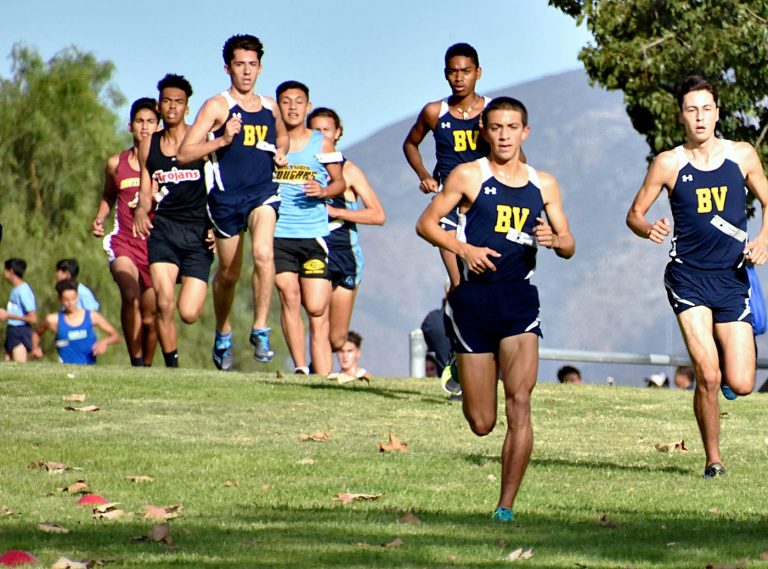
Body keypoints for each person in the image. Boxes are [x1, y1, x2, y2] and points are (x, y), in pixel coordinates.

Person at [416, 97, 575, 522]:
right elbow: (426, 224)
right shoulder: (468, 176)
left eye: (513, 127)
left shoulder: (545, 184)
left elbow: (569, 244)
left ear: (526, 132)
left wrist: (556, 241)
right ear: (485, 132)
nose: (504, 135)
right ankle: (461, 370)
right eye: (497, 127)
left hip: (520, 300)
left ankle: (505, 505)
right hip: (473, 302)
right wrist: (464, 248)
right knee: (482, 422)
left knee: (520, 401)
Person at [626, 75, 768, 478]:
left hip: (732, 278)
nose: (700, 117)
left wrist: (764, 240)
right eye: (692, 110)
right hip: (688, 278)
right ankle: (713, 459)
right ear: (681, 116)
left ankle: (720, 377)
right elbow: (634, 214)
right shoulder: (669, 163)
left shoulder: (742, 156)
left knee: (739, 382)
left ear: (718, 112)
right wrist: (646, 227)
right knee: (707, 373)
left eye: (707, 108)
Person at [177, 34, 288, 371]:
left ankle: (260, 329)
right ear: (227, 68)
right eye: (239, 64)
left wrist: (281, 150)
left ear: (260, 67)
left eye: (252, 65)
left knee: (264, 253)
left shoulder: (270, 106)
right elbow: (184, 153)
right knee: (228, 273)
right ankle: (223, 331)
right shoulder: (216, 106)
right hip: (225, 199)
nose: (246, 71)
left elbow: (281, 133)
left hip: (262, 192)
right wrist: (223, 139)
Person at [134, 74, 213, 369]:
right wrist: (142, 210)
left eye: (178, 102)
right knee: (163, 303)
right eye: (167, 101)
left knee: (188, 313)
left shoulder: (201, 141)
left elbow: (219, 187)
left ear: (187, 108)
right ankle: (172, 369)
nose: (172, 107)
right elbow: (145, 190)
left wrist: (217, 229)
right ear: (159, 105)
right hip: (164, 232)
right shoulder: (148, 145)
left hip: (197, 235)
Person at [404, 42, 491, 289]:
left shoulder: (493, 111)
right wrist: (424, 175)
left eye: (465, 71)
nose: (459, 78)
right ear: (445, 74)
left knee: (487, 277)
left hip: (486, 201)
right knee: (458, 281)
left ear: (478, 72)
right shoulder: (435, 112)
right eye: (453, 72)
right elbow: (410, 144)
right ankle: (456, 324)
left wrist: (490, 137)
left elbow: (518, 158)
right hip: (449, 201)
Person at [273, 82, 345, 375]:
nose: (292, 107)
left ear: (308, 106)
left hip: (313, 234)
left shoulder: (321, 143)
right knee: (289, 296)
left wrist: (323, 191)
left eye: (298, 102)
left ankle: (321, 371)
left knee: (316, 307)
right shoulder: (269, 143)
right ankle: (301, 367)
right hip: (278, 233)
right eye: (286, 102)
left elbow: (339, 182)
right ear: (278, 106)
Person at [308, 107, 386, 351]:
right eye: (315, 130)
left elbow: (378, 214)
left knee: (336, 338)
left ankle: (323, 368)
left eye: (326, 130)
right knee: (317, 320)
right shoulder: (299, 166)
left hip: (345, 253)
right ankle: (314, 373)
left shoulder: (348, 170)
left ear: (337, 133)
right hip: (312, 251)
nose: (320, 135)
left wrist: (338, 212)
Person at [92, 97, 160, 367]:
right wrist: (100, 217)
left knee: (150, 318)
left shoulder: (166, 165)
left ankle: (148, 367)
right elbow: (108, 195)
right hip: (124, 243)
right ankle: (135, 360)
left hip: (156, 248)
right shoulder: (115, 163)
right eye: (140, 122)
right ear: (130, 125)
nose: (145, 128)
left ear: (159, 126)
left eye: (151, 122)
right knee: (129, 295)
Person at [31, 280, 120, 365]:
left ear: (78, 296)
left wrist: (104, 342)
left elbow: (115, 336)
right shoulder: (53, 320)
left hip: (89, 367)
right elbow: (36, 333)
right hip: (64, 368)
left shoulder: (92, 316)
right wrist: (35, 348)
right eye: (66, 300)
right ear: (60, 299)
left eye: (73, 299)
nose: (70, 303)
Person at [0, 258, 38, 362]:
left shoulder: (23, 290)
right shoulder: (15, 289)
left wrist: (9, 315)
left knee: (19, 364)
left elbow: (33, 318)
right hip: (12, 329)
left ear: (10, 271)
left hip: (20, 331)